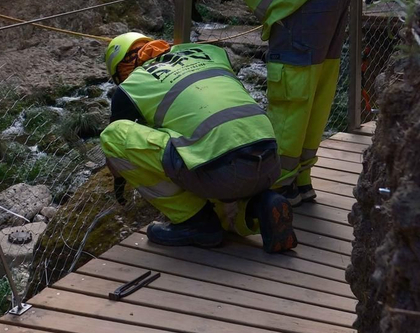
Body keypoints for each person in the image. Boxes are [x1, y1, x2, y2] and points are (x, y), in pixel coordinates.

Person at [158, 0, 348, 206]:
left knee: (291, 94)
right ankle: (301, 180)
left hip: (301, 0)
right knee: (317, 89)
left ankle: (280, 187)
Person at [97, 33, 297, 252]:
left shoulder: (132, 86)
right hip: (269, 159)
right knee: (210, 153)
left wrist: (121, 174)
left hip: (224, 172)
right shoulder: (208, 53)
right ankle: (260, 205)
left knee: (113, 135)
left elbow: (117, 153)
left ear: (121, 70)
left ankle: (194, 222)